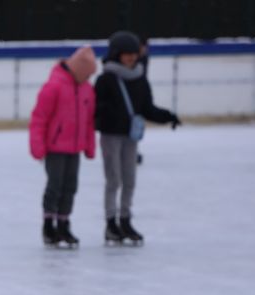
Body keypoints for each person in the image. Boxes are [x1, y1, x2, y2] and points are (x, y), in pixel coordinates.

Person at [95, 31, 181, 245]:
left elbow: (146, 108)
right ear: (116, 54)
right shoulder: (106, 79)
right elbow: (97, 109)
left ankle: (125, 219)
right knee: (113, 179)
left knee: (130, 179)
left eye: (134, 54)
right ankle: (110, 223)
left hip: (130, 136)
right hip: (111, 135)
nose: (132, 58)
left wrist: (168, 117)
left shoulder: (140, 79)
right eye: (126, 54)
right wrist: (111, 115)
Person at [29, 46, 97, 248]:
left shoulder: (87, 89)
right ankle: (48, 224)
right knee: (55, 186)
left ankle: (64, 223)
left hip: (74, 148)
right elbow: (39, 119)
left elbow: (88, 121)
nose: (87, 78)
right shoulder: (54, 87)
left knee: (70, 187)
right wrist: (37, 146)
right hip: (55, 147)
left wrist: (89, 146)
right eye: (86, 74)